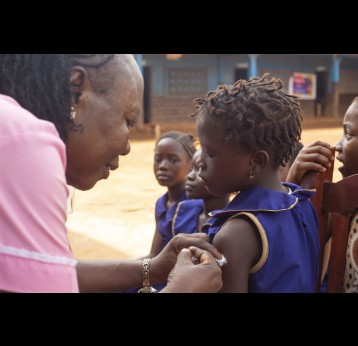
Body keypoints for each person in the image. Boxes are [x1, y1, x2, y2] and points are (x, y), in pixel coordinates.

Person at [0, 54, 223, 293]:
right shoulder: (24, 143)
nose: (127, 147)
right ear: (77, 91)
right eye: (127, 120)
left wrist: (154, 269)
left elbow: (45, 271)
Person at [192, 74, 319, 292]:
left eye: (210, 152)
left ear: (257, 162)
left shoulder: (235, 233)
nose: (199, 161)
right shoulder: (302, 203)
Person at [286, 97, 358, 293]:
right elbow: (292, 242)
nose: (338, 146)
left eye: (348, 134)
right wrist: (293, 181)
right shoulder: (342, 207)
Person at [146, 131, 196, 259]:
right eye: (158, 159)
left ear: (191, 164)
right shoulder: (161, 203)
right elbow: (154, 255)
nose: (162, 166)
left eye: (173, 160)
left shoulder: (196, 205)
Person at [173, 149, 231, 234]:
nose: (189, 176)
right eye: (190, 169)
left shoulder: (232, 223)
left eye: (201, 168)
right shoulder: (185, 212)